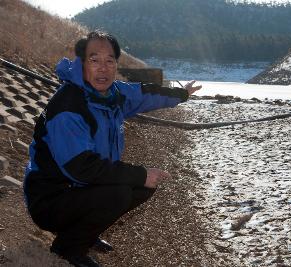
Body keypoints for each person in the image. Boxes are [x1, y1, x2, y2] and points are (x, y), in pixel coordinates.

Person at [23, 30, 201, 267]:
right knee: (121, 191)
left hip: (80, 188)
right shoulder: (69, 107)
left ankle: (85, 232)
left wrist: (181, 94)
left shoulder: (112, 94)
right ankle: (67, 247)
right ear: (82, 63)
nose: (103, 68)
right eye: (94, 60)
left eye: (110, 61)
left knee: (140, 186)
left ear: (116, 64)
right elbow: (81, 167)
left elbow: (143, 94)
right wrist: (141, 173)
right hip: (50, 198)